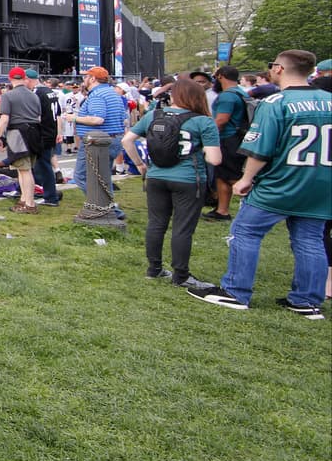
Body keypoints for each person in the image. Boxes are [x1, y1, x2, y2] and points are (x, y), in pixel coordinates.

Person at [188, 50, 331, 318]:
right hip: (321, 182)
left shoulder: (276, 102)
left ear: (279, 68)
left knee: (245, 231)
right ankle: (307, 301)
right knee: (310, 240)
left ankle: (235, 291)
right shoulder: (329, 100)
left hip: (281, 181)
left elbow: (260, 148)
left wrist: (246, 179)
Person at [121, 79, 222, 288]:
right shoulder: (203, 121)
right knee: (183, 227)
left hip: (156, 176)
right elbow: (214, 159)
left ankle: (154, 268)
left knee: (156, 223)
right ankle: (181, 275)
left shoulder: (153, 115)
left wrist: (139, 164)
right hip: (188, 178)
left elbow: (127, 140)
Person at [62, 66, 128, 210]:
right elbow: (124, 118)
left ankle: (106, 207)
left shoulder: (97, 95)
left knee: (81, 177)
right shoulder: (112, 93)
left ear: (92, 79)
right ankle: (109, 206)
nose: (83, 80)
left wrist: (74, 118)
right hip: (113, 138)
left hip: (97, 142)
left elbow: (98, 119)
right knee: (103, 178)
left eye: (85, 77)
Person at [202, 65, 250, 222]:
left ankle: (255, 206)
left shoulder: (227, 96)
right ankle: (222, 211)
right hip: (237, 137)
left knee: (232, 176)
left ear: (220, 76)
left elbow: (221, 120)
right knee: (222, 176)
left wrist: (207, 137)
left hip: (228, 140)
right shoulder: (241, 92)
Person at [0, 67, 42, 214]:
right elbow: (38, 117)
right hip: (34, 131)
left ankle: (30, 204)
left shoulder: (8, 96)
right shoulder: (34, 95)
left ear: (10, 79)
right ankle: (24, 199)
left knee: (24, 170)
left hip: (17, 132)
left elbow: (4, 118)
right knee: (24, 169)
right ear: (24, 78)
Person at [25, 69, 62, 207]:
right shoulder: (49, 91)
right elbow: (58, 114)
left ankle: (50, 197)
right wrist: (58, 131)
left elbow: (36, 115)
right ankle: (45, 192)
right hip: (51, 131)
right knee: (43, 164)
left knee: (43, 166)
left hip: (43, 133)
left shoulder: (37, 93)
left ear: (28, 80)